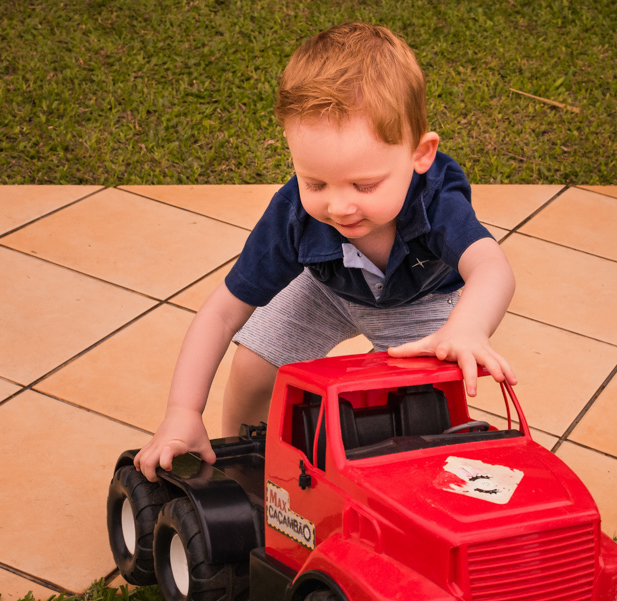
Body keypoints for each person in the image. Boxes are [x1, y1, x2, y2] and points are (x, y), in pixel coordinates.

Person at [135, 22, 516, 481]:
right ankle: (244, 469)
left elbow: (491, 267)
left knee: (423, 405)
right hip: (325, 291)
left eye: (364, 185)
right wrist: (182, 411)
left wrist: (468, 329)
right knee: (254, 366)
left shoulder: (437, 200)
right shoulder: (294, 214)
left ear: (420, 154)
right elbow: (220, 313)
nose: (338, 207)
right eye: (315, 183)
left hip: (421, 302)